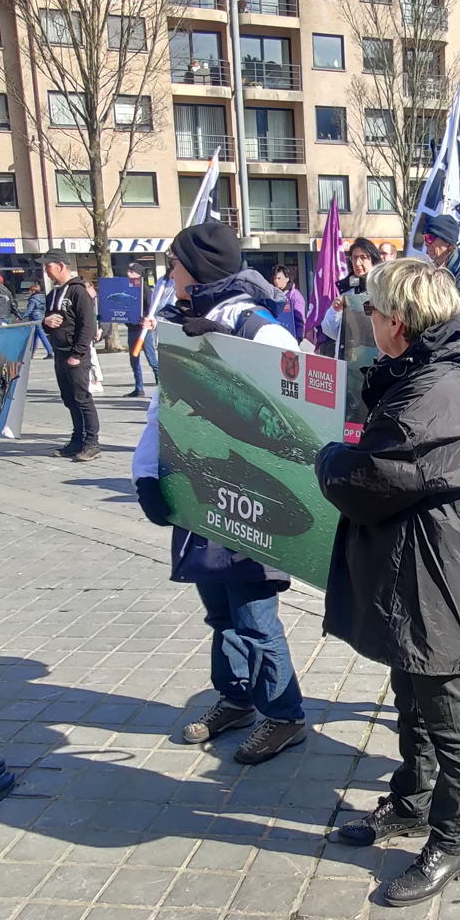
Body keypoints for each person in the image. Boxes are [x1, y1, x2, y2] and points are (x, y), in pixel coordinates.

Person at [318, 259, 460, 904]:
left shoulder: (430, 395)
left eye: (372, 311)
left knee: (445, 706)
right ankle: (413, 798)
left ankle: (452, 843)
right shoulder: (438, 374)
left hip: (440, 572)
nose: (368, 320)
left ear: (398, 322)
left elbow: (370, 478)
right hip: (434, 561)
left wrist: (328, 458)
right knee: (412, 688)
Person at [130, 213, 310, 765]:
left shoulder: (256, 323)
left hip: (250, 500)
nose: (170, 275)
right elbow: (162, 408)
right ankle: (236, 698)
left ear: (198, 270)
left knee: (254, 615)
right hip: (205, 498)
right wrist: (146, 472)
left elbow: (299, 382)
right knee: (220, 611)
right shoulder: (184, 321)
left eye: (175, 266)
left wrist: (231, 345)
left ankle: (285, 716)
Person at [41, 257, 99, 461]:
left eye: (48, 266)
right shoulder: (52, 294)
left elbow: (87, 325)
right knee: (69, 398)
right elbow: (47, 322)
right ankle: (77, 440)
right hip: (59, 353)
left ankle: (92, 442)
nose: (46, 270)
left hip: (76, 355)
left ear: (61, 266)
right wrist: (46, 322)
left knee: (82, 399)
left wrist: (78, 354)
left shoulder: (78, 291)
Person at [317, 238, 379, 352]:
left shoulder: (382, 288)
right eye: (354, 258)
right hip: (350, 354)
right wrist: (335, 310)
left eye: (363, 257)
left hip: (377, 352)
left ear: (373, 259)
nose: (357, 263)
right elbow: (330, 330)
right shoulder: (347, 289)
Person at [420, 215, 460, 300]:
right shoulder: (433, 268)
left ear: (447, 241)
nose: (426, 243)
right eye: (425, 238)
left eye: (430, 238)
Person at [119, 263, 150, 397]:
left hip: (144, 330)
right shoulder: (127, 288)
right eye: (128, 270)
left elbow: (151, 308)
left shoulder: (145, 289)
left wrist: (147, 319)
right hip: (132, 328)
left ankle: (161, 386)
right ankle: (139, 388)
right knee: (134, 359)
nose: (128, 273)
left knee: (151, 359)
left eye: (132, 271)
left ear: (139, 274)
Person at [270, 264, 309, 343]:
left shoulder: (295, 296)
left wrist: (298, 337)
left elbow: (299, 318)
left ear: (287, 279)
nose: (276, 281)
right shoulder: (272, 295)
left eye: (279, 278)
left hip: (291, 336)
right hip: (276, 336)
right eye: (275, 278)